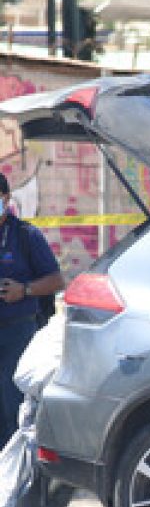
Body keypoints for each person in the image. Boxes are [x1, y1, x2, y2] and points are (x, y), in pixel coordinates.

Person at [0, 174, 64, 449]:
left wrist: (23, 290)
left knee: (14, 406)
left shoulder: (26, 235)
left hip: (18, 331)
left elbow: (56, 280)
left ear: (6, 198)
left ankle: (19, 476)